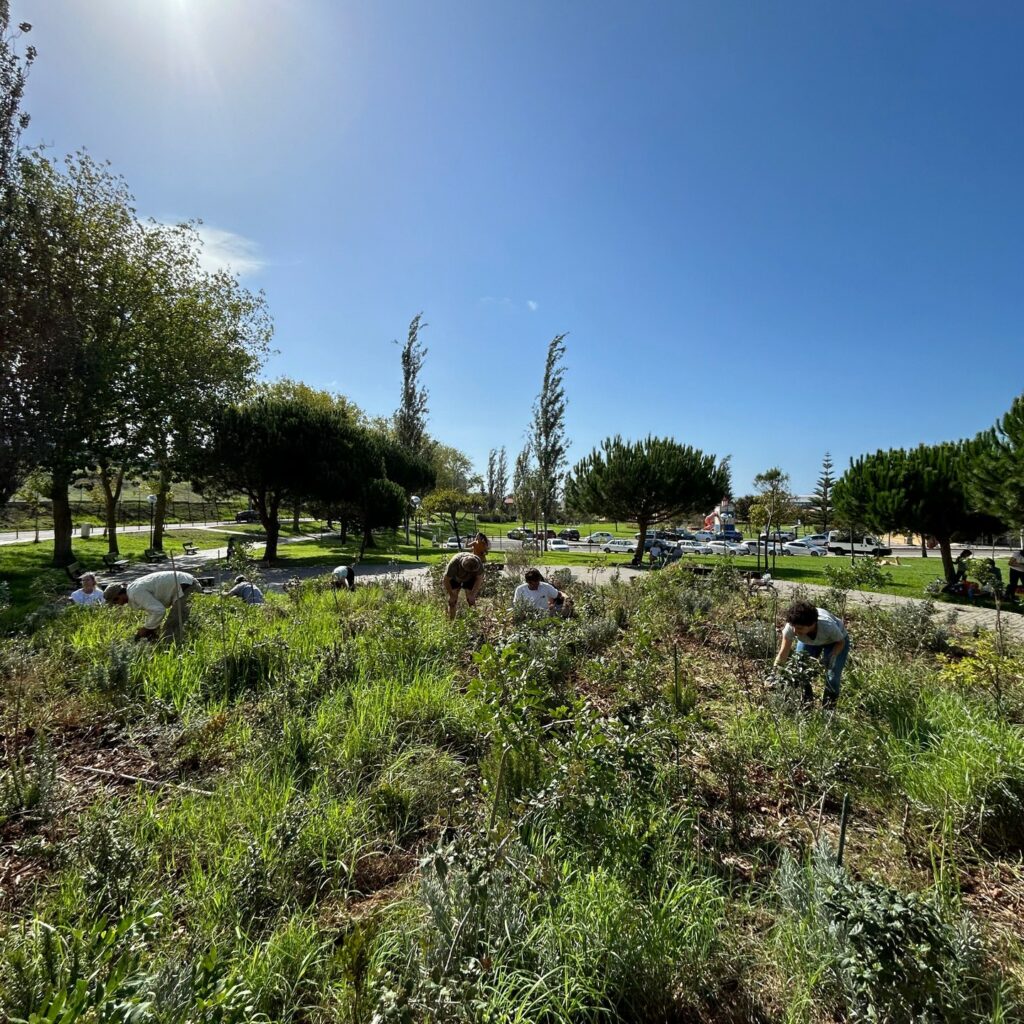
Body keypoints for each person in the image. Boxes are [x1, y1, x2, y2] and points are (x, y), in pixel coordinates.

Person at [773, 600, 849, 706]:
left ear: (812, 624)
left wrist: (831, 657)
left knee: (832, 677)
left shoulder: (827, 625)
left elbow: (840, 642)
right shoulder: (791, 627)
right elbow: (783, 653)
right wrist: (774, 674)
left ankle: (828, 710)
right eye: (793, 626)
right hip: (809, 642)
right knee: (800, 670)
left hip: (835, 642)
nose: (795, 631)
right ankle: (807, 704)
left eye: (799, 628)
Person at [104, 570, 202, 642]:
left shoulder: (135, 593)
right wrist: (151, 629)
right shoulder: (133, 590)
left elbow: (159, 611)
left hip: (187, 586)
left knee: (171, 628)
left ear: (119, 595)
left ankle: (170, 653)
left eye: (115, 602)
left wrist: (146, 629)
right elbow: (154, 611)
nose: (117, 605)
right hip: (184, 585)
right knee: (175, 626)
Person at [442, 552, 484, 619]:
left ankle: (473, 621)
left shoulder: (478, 562)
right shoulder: (454, 564)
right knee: (452, 601)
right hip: (455, 577)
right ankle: (451, 622)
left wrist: (472, 594)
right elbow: (446, 580)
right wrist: (451, 595)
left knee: (471, 600)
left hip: (470, 578)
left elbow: (479, 579)